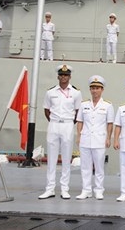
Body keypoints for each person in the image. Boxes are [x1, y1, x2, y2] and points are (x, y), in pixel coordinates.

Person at [39, 65, 82, 200]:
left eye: (66, 75)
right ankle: (50, 188)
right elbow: (46, 110)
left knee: (66, 157)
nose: (63, 77)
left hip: (68, 125)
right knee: (51, 158)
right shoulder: (50, 92)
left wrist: (68, 123)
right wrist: (54, 121)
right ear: (58, 76)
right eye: (61, 75)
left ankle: (65, 189)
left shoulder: (76, 93)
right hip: (53, 125)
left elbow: (78, 112)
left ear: (70, 77)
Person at [75, 75, 114, 200]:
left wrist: (108, 138)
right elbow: (80, 121)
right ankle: (86, 190)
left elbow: (109, 123)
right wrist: (78, 136)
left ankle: (98, 190)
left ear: (102, 89)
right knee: (85, 167)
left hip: (100, 139)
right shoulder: (84, 104)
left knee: (99, 167)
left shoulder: (107, 105)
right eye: (92, 88)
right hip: (85, 138)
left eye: (97, 88)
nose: (95, 90)